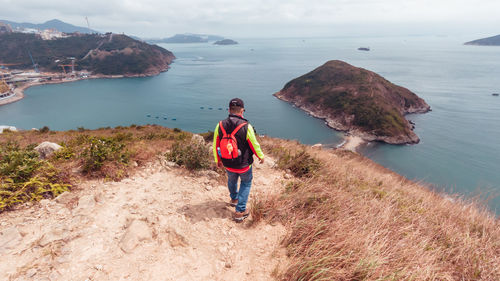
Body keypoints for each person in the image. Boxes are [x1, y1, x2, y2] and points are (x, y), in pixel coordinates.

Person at [213, 98, 265, 222]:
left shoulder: (220, 125)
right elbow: (254, 144)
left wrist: (218, 160)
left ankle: (234, 199)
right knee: (246, 183)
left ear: (229, 110)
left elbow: (216, 144)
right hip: (244, 164)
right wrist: (260, 156)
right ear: (242, 111)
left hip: (227, 162)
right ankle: (240, 211)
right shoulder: (246, 126)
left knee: (232, 180)